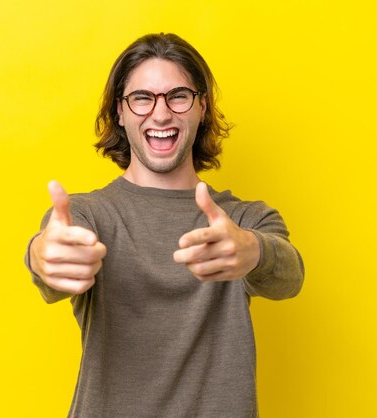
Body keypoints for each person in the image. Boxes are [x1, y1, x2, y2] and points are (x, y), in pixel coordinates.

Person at [25, 33, 304, 418]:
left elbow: (290, 276)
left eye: (178, 96)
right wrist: (42, 257)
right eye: (142, 98)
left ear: (201, 106)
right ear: (120, 112)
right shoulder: (86, 216)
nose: (160, 114)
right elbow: (50, 267)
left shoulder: (242, 220)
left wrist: (253, 251)